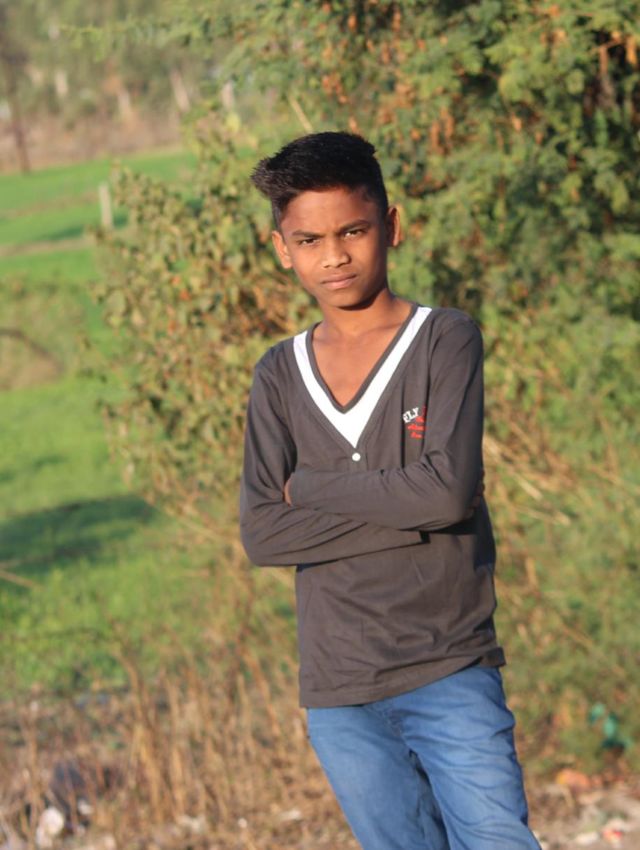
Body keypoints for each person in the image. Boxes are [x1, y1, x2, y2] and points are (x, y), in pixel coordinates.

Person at [239, 131, 541, 850]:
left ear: (391, 225)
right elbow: (264, 533)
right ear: (282, 249)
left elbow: (446, 495)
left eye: (353, 231)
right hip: (340, 691)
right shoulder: (278, 375)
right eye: (309, 240)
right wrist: (419, 501)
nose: (334, 256)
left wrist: (312, 486)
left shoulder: (445, 340)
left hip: (449, 668)